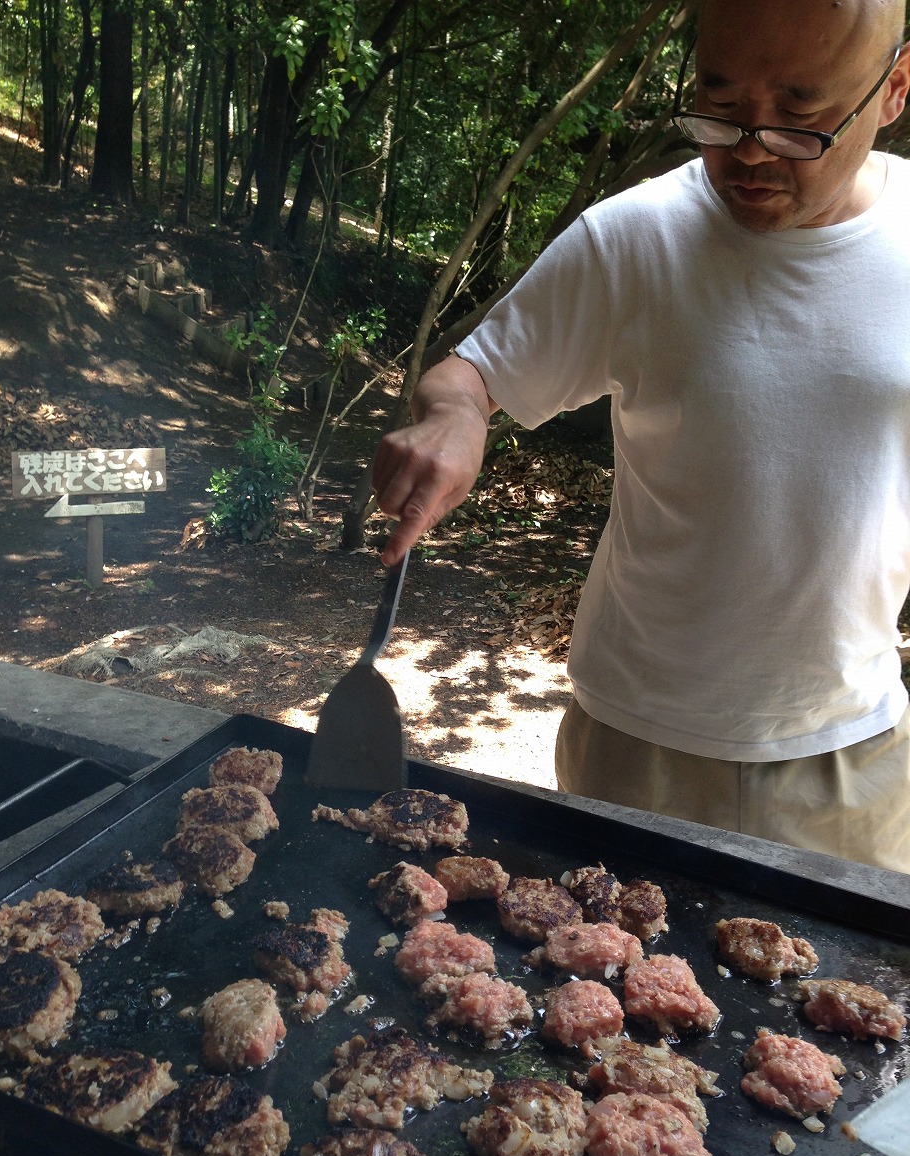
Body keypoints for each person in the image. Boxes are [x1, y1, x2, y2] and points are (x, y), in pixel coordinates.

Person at [370, 0, 910, 874]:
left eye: (800, 115)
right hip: (635, 748)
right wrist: (454, 416)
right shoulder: (634, 237)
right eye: (720, 101)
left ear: (894, 88)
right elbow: (471, 373)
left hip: (850, 758)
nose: (749, 147)